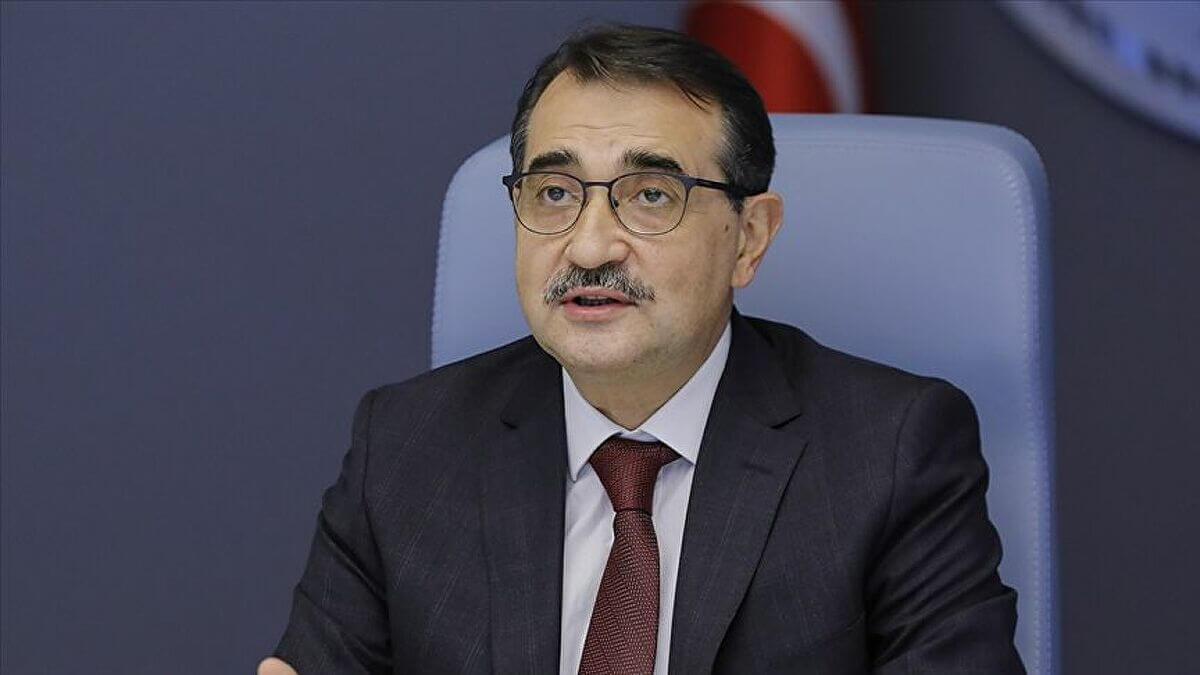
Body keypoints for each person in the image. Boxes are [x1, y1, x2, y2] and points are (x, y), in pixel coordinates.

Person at [260, 24, 1024, 674]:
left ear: (749, 238)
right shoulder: (405, 447)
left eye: (651, 196)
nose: (590, 245)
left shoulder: (890, 453)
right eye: (554, 193)